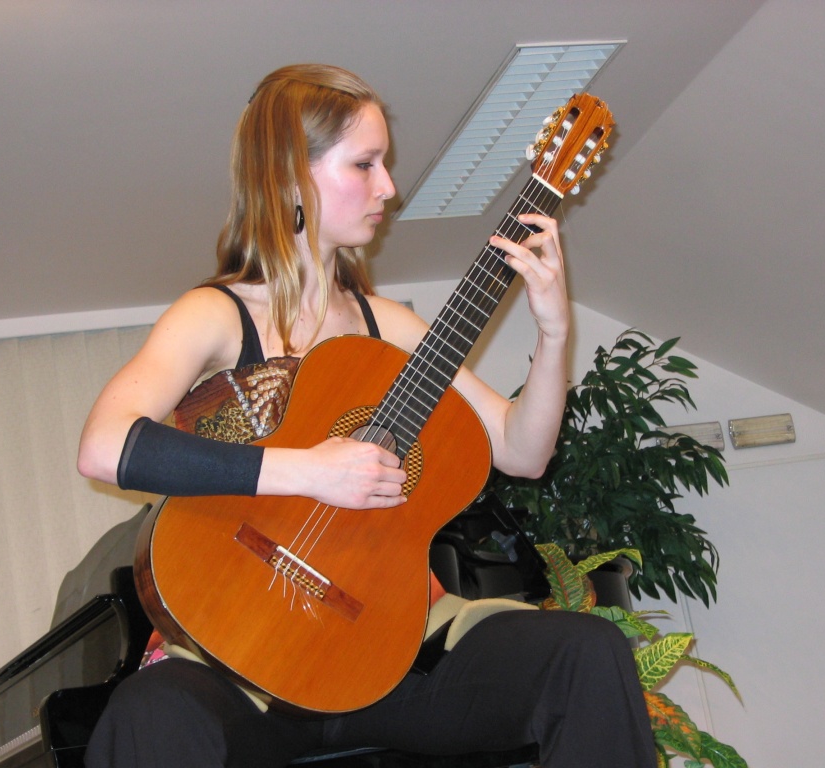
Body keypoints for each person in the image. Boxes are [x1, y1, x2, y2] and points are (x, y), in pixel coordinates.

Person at [77, 64, 654, 768]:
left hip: (393, 648)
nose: (389, 187)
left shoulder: (392, 326)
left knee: (586, 651)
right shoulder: (215, 314)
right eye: (365, 164)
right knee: (151, 713)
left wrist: (555, 331)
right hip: (243, 660)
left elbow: (522, 450)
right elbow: (105, 446)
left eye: (384, 164)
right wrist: (310, 471)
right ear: (290, 175)